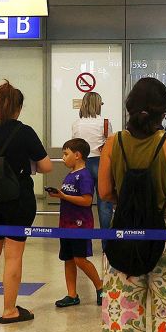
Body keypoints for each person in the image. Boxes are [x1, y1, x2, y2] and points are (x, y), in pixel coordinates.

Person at [98, 77, 166, 332]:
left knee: (122, 325)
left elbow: (104, 192)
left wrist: (131, 201)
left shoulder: (114, 143)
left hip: (124, 236)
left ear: (129, 108)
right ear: (163, 112)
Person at [0, 80, 52, 324]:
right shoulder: (24, 132)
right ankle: (9, 309)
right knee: (13, 255)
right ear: (18, 107)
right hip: (18, 199)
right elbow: (46, 166)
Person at [47, 138, 103, 308]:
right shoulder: (69, 176)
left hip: (80, 225)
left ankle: (100, 287)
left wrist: (64, 196)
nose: (63, 157)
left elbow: (87, 200)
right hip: (65, 224)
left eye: (66, 154)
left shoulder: (85, 176)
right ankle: (72, 294)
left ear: (77, 155)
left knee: (80, 259)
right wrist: (60, 195)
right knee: (68, 259)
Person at [71, 91, 113, 239]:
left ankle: (83, 240)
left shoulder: (77, 124)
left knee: (83, 203)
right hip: (101, 163)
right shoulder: (105, 123)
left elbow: (74, 146)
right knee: (104, 204)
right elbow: (110, 145)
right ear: (98, 105)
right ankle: (106, 243)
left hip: (82, 165)